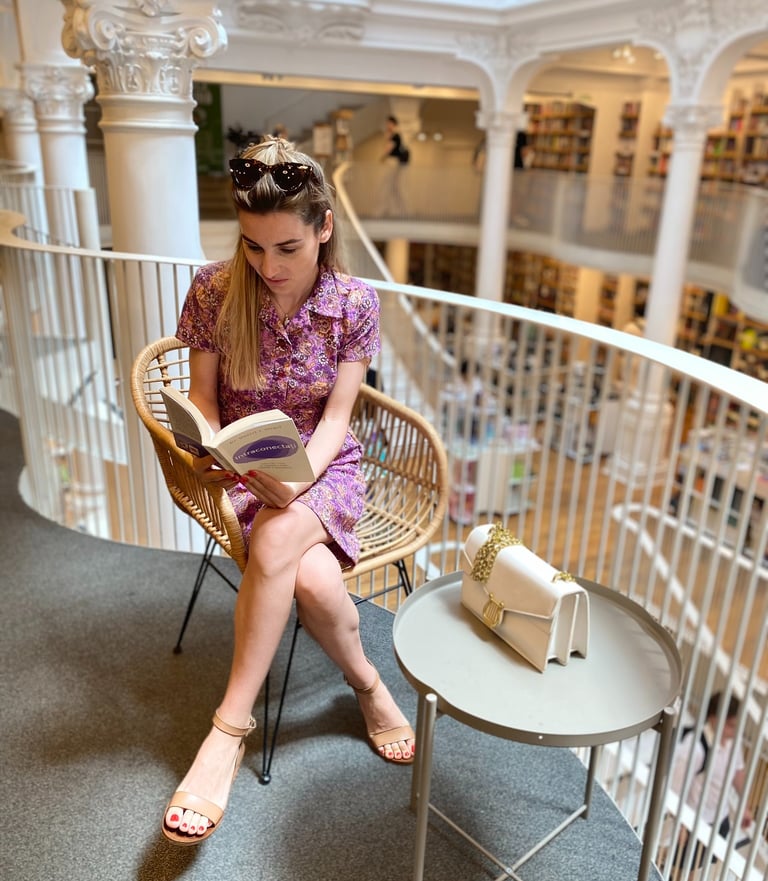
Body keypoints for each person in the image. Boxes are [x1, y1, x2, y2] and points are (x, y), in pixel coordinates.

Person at [161, 135, 415, 846]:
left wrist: (299, 478)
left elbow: (337, 418)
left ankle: (226, 731)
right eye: (252, 246)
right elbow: (203, 398)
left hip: (325, 468)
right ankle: (367, 684)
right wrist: (207, 447)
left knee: (279, 540)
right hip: (249, 468)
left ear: (323, 227)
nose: (267, 266)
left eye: (287, 248)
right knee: (310, 575)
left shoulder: (355, 302)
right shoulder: (214, 289)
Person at [668, 692, 753, 877]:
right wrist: (681, 824)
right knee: (683, 870)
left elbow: (738, 771)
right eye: (731, 726)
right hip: (695, 821)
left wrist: (745, 806)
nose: (735, 732)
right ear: (714, 718)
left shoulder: (733, 741)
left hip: (721, 818)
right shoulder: (695, 747)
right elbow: (676, 789)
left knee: (703, 865)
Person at [379, 115, 408, 215]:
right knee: (392, 187)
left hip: (393, 162)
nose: (387, 125)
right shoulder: (394, 135)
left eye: (389, 123)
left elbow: (388, 148)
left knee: (389, 185)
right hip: (393, 162)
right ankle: (392, 209)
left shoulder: (395, 136)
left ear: (393, 124)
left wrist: (382, 157)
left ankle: (396, 210)